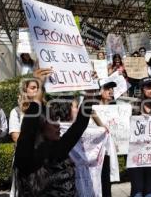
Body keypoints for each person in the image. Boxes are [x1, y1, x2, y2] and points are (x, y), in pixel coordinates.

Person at [14, 68, 95, 196]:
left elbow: (79, 125)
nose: (58, 125)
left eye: (57, 119)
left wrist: (90, 94)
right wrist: (39, 88)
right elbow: (28, 128)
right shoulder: (25, 155)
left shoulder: (57, 149)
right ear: (41, 126)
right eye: (52, 120)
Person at [128, 77, 151, 197]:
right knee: (137, 189)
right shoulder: (134, 106)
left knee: (150, 188)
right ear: (142, 89)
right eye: (149, 87)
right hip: (136, 155)